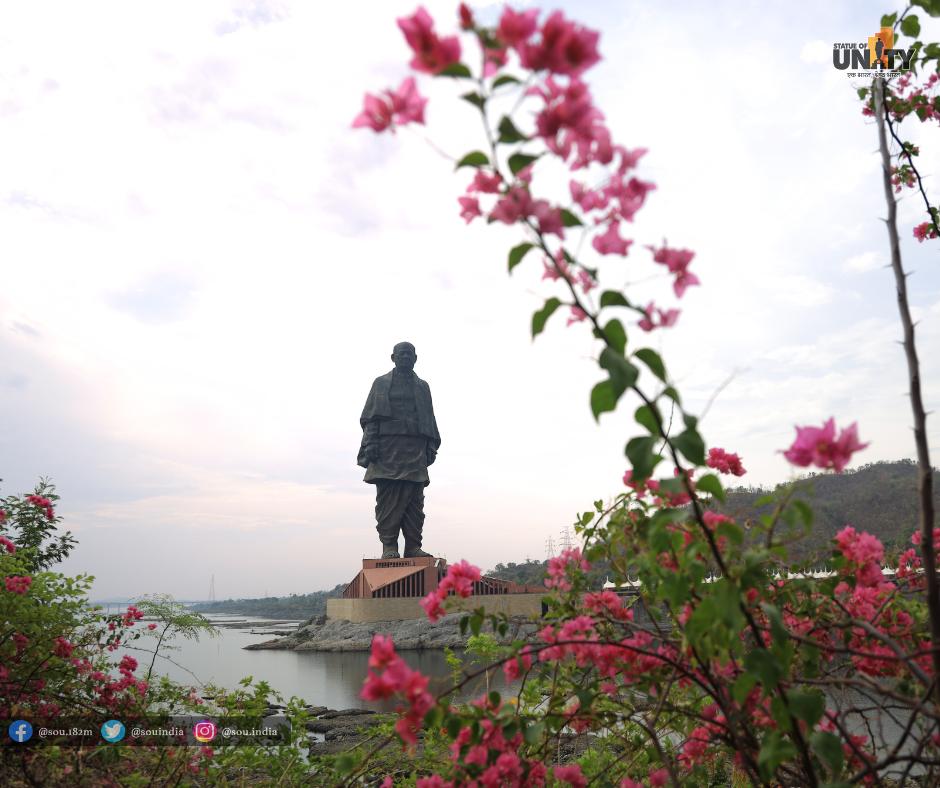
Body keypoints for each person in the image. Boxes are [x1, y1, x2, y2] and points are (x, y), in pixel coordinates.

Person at [357, 342, 441, 559]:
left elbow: (429, 419)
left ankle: (413, 546)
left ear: (415, 358)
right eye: (401, 354)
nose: (405, 357)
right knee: (388, 500)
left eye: (409, 354)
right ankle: (389, 546)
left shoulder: (422, 386)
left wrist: (430, 445)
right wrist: (370, 444)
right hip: (387, 449)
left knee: (415, 500)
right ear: (393, 357)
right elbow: (370, 418)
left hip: (414, 449)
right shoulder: (381, 383)